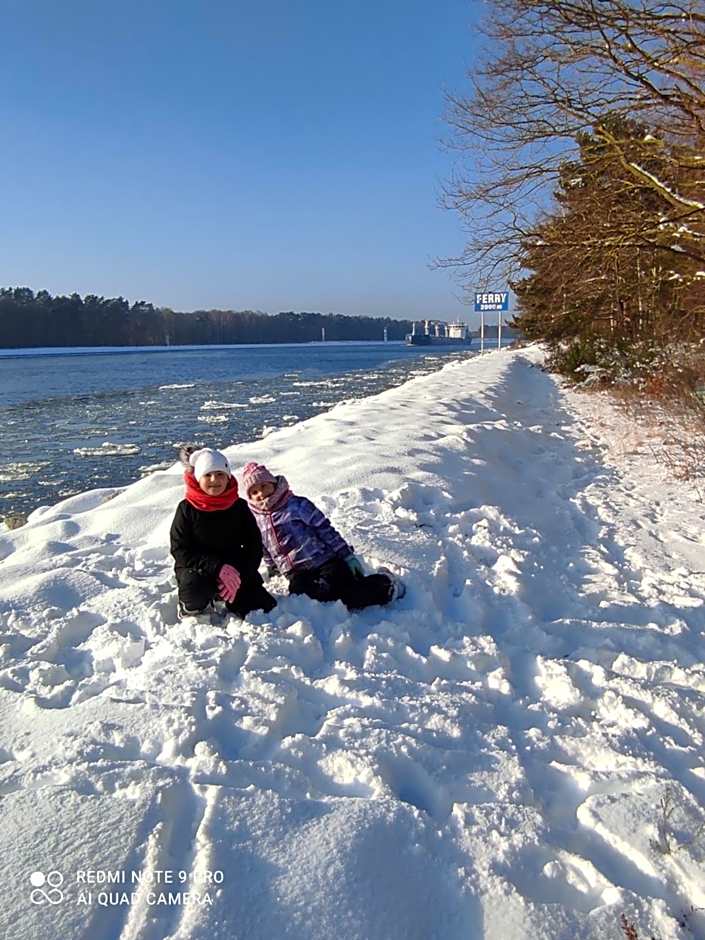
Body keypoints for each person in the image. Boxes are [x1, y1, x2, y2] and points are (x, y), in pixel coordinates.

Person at [240, 461, 405, 610]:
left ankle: (387, 585)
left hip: (324, 561)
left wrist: (346, 555)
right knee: (301, 596)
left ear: (274, 484)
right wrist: (273, 568)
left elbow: (325, 529)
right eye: (254, 492)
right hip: (296, 572)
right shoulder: (256, 519)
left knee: (346, 595)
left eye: (264, 486)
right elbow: (264, 546)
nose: (260, 493)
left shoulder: (296, 505)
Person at [170, 447, 276, 620]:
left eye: (220, 474)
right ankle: (191, 607)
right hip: (199, 571)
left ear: (228, 477)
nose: (214, 480)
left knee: (262, 605)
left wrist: (238, 575)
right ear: (198, 478)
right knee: (194, 591)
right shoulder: (186, 509)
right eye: (208, 475)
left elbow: (254, 545)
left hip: (234, 569)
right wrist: (217, 568)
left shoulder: (239, 507)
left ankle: (227, 596)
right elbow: (180, 550)